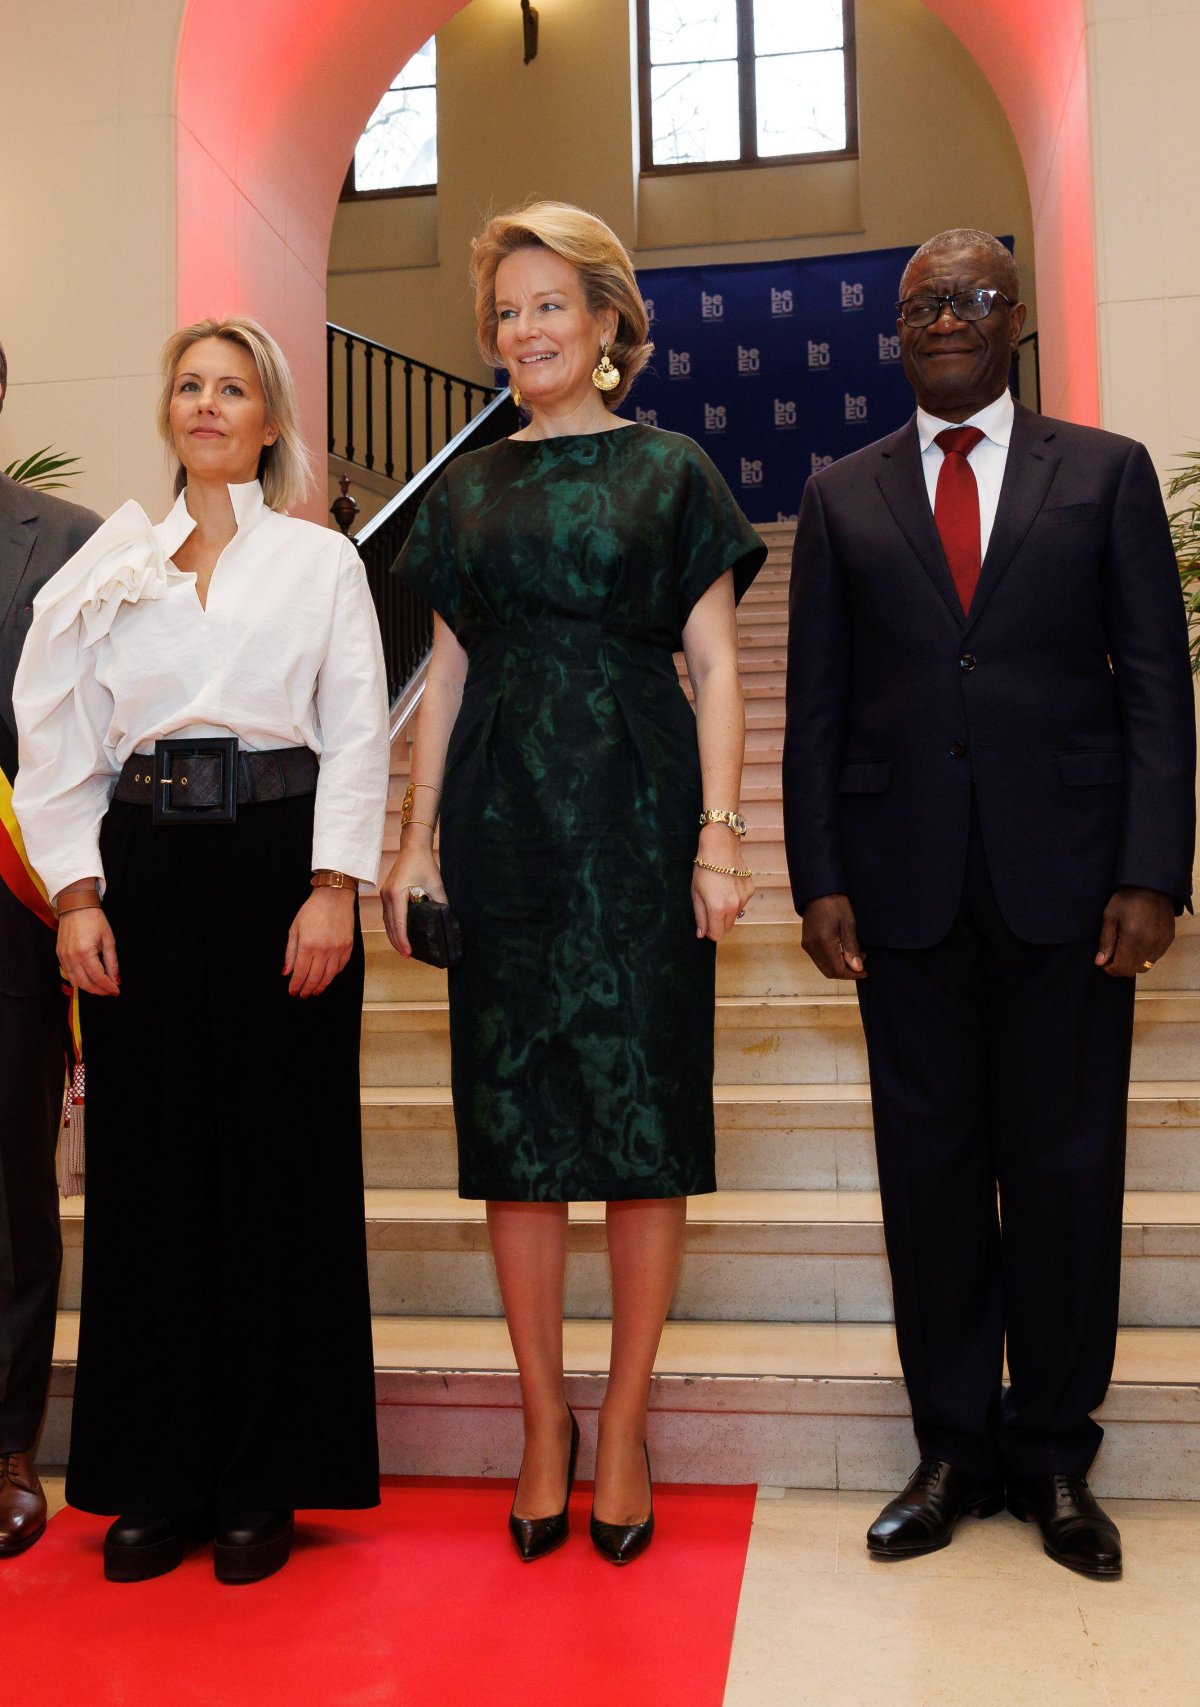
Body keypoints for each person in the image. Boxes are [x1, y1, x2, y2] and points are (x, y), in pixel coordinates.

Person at [784, 229, 1196, 1579]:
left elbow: (1152, 687)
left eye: (968, 299)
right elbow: (820, 705)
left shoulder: (1109, 471)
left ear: (1015, 318)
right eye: (920, 304)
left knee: (1070, 1175)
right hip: (902, 894)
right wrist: (819, 874)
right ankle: (955, 1444)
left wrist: (1151, 868)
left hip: (1073, 887)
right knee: (935, 1179)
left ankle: (1057, 1452)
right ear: (894, 331)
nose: (944, 318)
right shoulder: (842, 495)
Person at [381, 201, 765, 1565]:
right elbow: (449, 675)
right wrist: (414, 842)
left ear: (608, 322)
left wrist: (722, 831)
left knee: (644, 1120)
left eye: (552, 302)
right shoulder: (468, 489)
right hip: (499, 825)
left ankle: (624, 1423)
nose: (526, 328)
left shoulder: (672, 473)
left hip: (640, 815)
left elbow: (717, 665)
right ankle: (544, 1419)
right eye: (507, 309)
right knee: (520, 1135)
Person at [13, 317, 390, 1583]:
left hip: (283, 865)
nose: (211, 405)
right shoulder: (112, 566)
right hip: (145, 876)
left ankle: (262, 1479)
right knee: (149, 1177)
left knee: (278, 1173)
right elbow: (56, 734)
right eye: (190, 386)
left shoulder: (320, 561)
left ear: (270, 420)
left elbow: (357, 732)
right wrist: (75, 894)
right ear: (167, 413)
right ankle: (154, 1477)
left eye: (235, 389)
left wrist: (336, 883)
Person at [0, 338, 101, 1556]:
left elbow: (85, 734)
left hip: (10, 912)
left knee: (12, 1200)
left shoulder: (64, 543)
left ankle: (7, 1441)